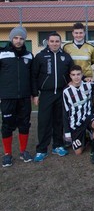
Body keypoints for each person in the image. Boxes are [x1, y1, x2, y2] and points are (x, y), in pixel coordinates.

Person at [32, 32, 74, 162]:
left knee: (59, 121)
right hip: (46, 94)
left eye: (57, 41)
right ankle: (41, 149)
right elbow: (33, 76)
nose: (55, 43)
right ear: (48, 42)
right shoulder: (40, 56)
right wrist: (35, 94)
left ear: (60, 43)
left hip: (61, 93)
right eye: (52, 41)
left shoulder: (66, 57)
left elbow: (71, 74)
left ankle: (58, 145)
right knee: (44, 122)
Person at [0, 26, 33, 167]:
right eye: (16, 38)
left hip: (24, 97)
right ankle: (7, 154)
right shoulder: (2, 53)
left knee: (24, 124)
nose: (18, 41)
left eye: (21, 38)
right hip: (7, 96)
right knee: (7, 125)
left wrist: (34, 93)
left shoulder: (29, 55)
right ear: (11, 38)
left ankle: (23, 151)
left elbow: (33, 77)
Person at [63, 65, 94, 164]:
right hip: (75, 123)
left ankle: (93, 152)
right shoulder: (66, 91)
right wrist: (67, 132)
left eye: (78, 74)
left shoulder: (88, 85)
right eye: (73, 75)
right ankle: (86, 137)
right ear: (70, 76)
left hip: (87, 117)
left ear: (82, 75)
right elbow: (65, 112)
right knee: (78, 152)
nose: (76, 77)